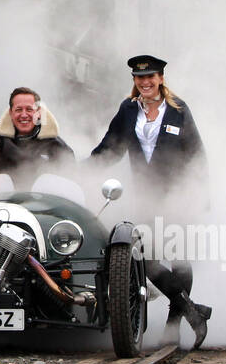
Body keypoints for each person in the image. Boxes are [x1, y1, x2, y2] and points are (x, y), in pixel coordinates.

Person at [90, 55, 212, 348]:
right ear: (134, 81)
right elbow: (110, 147)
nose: (145, 83)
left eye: (150, 77)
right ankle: (193, 312)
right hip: (146, 195)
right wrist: (82, 169)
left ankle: (173, 325)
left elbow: (196, 154)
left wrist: (200, 193)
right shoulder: (128, 109)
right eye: (139, 78)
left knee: (179, 258)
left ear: (160, 79)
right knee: (145, 259)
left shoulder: (178, 110)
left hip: (177, 194)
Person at [0, 87, 75, 186]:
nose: (24, 115)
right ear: (10, 113)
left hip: (41, 200)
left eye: (29, 109)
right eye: (18, 110)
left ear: (38, 113)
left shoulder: (51, 140)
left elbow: (69, 166)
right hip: (2, 198)